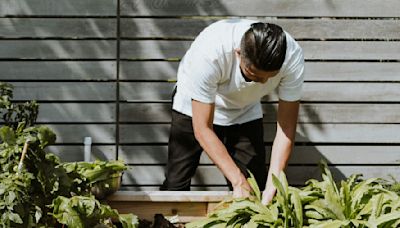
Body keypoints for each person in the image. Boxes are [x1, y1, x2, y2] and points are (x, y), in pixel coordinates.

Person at [160, 19, 304, 205]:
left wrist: (273, 185)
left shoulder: (292, 57)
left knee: (255, 188)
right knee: (175, 185)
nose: (262, 83)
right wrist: (237, 181)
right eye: (253, 75)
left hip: (245, 108)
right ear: (238, 54)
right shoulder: (210, 52)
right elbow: (202, 128)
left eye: (269, 78)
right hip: (193, 107)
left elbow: (286, 128)